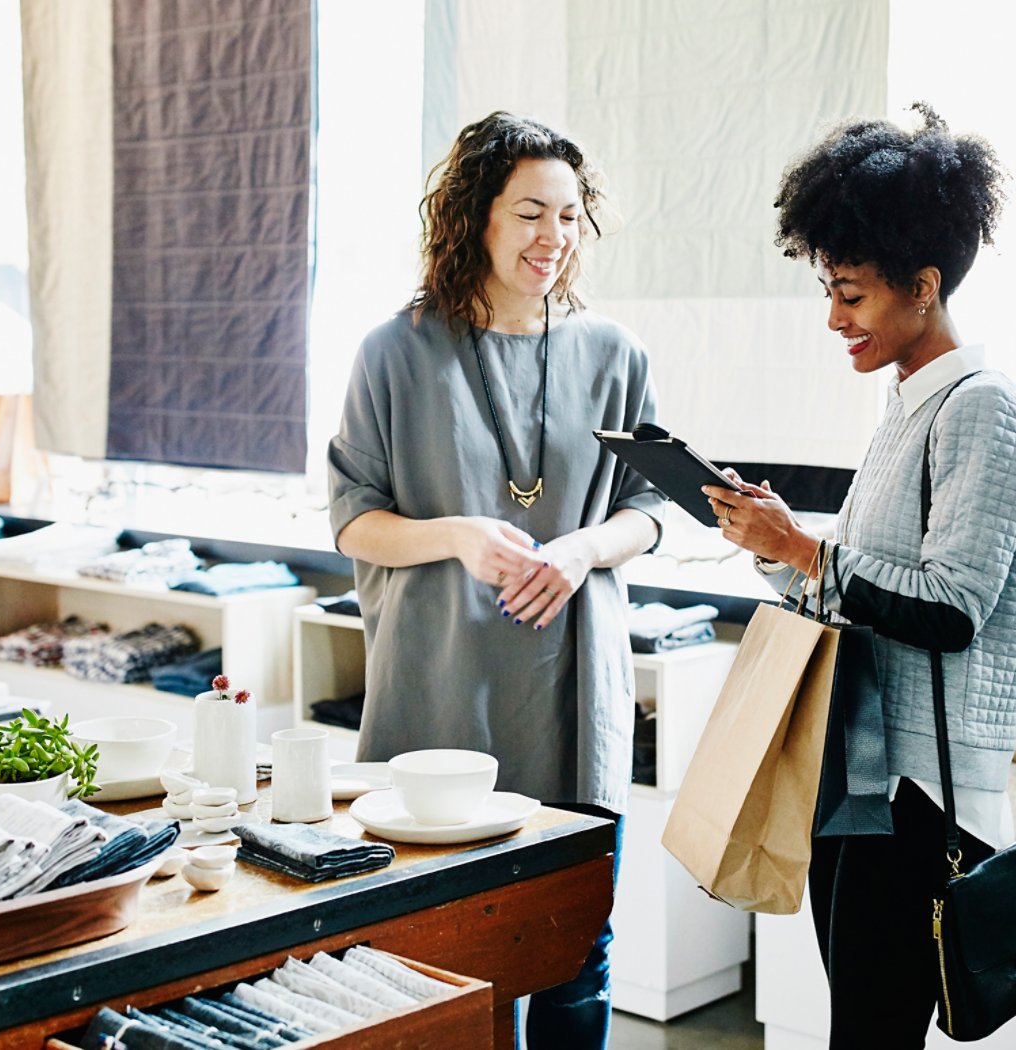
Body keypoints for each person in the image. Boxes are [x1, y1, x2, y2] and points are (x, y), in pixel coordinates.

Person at [703, 103, 1016, 1049]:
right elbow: (870, 593)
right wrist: (775, 549)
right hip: (865, 777)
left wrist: (805, 550)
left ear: (924, 286)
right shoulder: (907, 406)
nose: (833, 317)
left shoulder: (985, 411)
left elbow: (950, 613)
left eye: (850, 293)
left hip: (922, 796)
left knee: (872, 1031)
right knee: (860, 1024)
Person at [328, 111, 664, 1048]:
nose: (552, 238)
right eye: (528, 213)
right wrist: (459, 537)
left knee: (573, 960)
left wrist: (580, 551)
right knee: (440, 969)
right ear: (474, 217)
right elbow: (354, 521)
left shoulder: (614, 353)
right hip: (440, 698)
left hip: (571, 694)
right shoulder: (394, 353)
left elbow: (651, 509)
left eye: (567, 215)